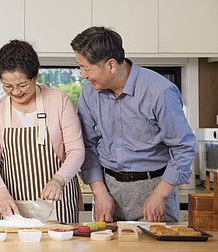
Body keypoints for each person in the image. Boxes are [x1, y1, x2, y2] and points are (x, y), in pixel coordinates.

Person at [71, 26, 196, 222]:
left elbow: (183, 147)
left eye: (86, 68)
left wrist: (160, 195)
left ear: (111, 65)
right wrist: (99, 192)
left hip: (153, 188)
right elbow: (87, 146)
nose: (82, 75)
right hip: (108, 191)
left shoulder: (160, 92)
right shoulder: (89, 94)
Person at [0, 40, 85, 223]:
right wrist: (0, 191)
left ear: (36, 74)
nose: (15, 92)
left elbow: (76, 150)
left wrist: (58, 180)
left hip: (57, 202)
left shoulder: (59, 100)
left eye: (22, 85)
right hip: (13, 203)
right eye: (7, 86)